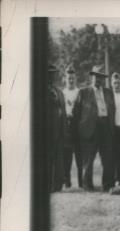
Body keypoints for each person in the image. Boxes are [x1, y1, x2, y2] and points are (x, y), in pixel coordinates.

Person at [73, 65, 117, 191]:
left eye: (101, 77)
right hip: (89, 128)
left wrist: (111, 127)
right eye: (96, 76)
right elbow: (76, 112)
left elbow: (113, 110)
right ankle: (87, 185)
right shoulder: (83, 92)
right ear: (92, 76)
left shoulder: (109, 92)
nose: (99, 79)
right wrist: (79, 130)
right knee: (88, 158)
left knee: (108, 158)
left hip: (106, 127)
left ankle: (108, 184)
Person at [46, 64, 67, 192]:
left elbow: (63, 111)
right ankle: (47, 185)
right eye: (49, 73)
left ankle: (58, 184)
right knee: (48, 158)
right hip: (47, 131)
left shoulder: (59, 91)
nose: (52, 76)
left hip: (59, 130)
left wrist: (64, 129)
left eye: (53, 73)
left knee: (59, 158)